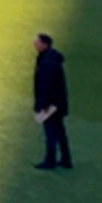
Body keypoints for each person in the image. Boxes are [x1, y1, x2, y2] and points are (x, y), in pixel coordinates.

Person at [33, 33, 72, 169]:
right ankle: (66, 159)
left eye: (37, 42)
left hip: (51, 105)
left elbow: (45, 85)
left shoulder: (46, 62)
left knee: (51, 133)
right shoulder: (52, 59)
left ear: (44, 44)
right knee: (60, 132)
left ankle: (50, 161)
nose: (34, 44)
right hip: (59, 103)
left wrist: (43, 104)